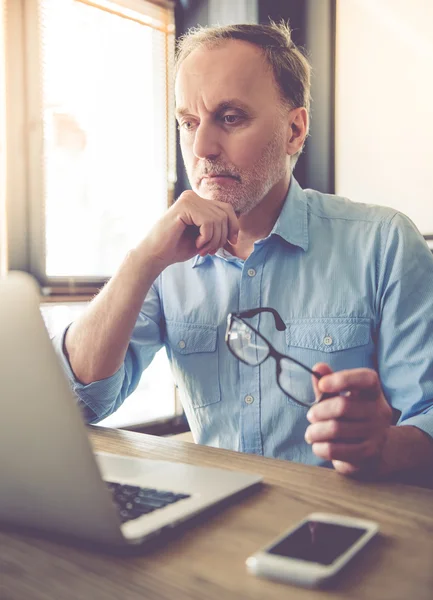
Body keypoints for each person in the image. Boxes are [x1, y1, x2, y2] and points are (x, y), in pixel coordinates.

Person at [53, 22, 433, 480]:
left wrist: (382, 447)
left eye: (230, 118)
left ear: (295, 131)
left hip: (346, 531)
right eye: (188, 123)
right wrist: (141, 262)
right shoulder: (165, 260)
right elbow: (78, 403)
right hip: (217, 530)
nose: (201, 148)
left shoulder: (384, 243)